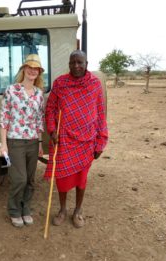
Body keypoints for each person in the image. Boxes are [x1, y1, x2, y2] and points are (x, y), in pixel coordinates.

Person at [44, 50, 108, 228]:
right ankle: (63, 210)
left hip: (87, 140)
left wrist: (100, 142)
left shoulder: (94, 84)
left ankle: (78, 210)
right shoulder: (60, 83)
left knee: (82, 178)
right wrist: (51, 130)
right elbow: (50, 109)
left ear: (87, 64)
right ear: (69, 64)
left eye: (80, 62)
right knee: (62, 178)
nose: (76, 66)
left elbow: (100, 115)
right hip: (64, 138)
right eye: (73, 63)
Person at [0, 54, 45, 228]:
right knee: (19, 179)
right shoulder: (11, 90)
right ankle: (13, 210)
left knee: (31, 180)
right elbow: (4, 118)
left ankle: (26, 209)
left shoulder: (40, 94)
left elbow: (39, 120)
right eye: (30, 67)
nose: (33, 71)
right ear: (24, 69)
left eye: (36, 69)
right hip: (15, 141)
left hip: (33, 141)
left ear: (39, 72)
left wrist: (40, 143)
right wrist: (4, 144)